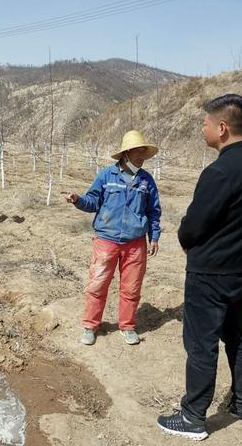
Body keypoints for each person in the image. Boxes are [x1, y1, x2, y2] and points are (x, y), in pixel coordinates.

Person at [157, 94, 242, 440]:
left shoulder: (220, 171)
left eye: (205, 124)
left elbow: (194, 225)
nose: (202, 129)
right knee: (238, 336)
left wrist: (184, 238)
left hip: (210, 275)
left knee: (201, 343)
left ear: (222, 128)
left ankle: (193, 417)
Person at [64, 130, 161, 346]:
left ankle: (127, 326)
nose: (142, 156)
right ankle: (90, 325)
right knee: (98, 284)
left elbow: (154, 210)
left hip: (135, 243)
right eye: (138, 151)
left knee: (132, 287)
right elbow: (92, 201)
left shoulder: (147, 181)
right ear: (126, 153)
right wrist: (78, 200)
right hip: (106, 240)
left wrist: (154, 236)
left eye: (144, 152)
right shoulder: (107, 176)